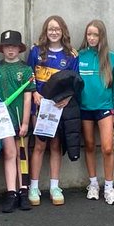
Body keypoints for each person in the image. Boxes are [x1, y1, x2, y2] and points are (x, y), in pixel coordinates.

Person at [27, 16, 78, 206]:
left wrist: (67, 98)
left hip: (58, 107)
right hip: (40, 106)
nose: (54, 32)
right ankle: (34, 186)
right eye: (50, 29)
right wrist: (34, 94)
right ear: (45, 31)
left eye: (57, 29)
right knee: (39, 146)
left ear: (63, 31)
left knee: (56, 145)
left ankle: (55, 186)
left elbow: (75, 81)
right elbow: (28, 75)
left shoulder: (71, 55)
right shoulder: (36, 52)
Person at [78, 19, 114, 205]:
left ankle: (109, 187)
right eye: (89, 34)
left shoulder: (111, 57)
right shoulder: (79, 56)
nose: (92, 38)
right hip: (85, 108)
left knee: (108, 148)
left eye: (96, 34)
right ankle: (93, 183)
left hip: (105, 108)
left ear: (102, 36)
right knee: (88, 145)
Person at [0, 30, 34, 212]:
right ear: (2, 48)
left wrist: (25, 123)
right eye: (7, 46)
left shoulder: (26, 70)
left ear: (19, 48)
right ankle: (11, 192)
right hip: (3, 120)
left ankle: (23, 191)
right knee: (9, 154)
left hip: (20, 119)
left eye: (14, 46)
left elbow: (28, 99)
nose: (10, 49)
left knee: (22, 154)